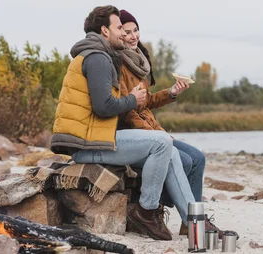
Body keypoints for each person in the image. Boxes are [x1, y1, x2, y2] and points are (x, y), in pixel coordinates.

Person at [50, 5, 174, 241]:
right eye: (119, 28)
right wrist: (132, 99)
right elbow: (103, 106)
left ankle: (147, 207)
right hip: (88, 146)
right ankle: (146, 211)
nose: (123, 34)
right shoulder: (98, 58)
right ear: (105, 31)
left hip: (90, 140)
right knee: (161, 143)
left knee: (160, 144)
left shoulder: (95, 54)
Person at [117, 9, 236, 239]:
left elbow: (146, 102)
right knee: (183, 159)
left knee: (198, 158)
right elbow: (127, 111)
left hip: (153, 130)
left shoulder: (139, 61)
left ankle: (187, 222)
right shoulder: (119, 63)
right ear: (119, 33)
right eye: (127, 32)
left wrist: (171, 92)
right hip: (137, 134)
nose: (133, 36)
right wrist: (158, 136)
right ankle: (184, 219)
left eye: (136, 30)